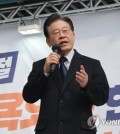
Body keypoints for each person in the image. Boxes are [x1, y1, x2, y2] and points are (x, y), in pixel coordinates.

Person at [22, 13, 109, 134]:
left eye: (65, 30)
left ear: (73, 35)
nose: (62, 36)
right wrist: (45, 72)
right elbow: (29, 97)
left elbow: (102, 98)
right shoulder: (40, 66)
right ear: (48, 41)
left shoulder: (92, 64)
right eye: (56, 33)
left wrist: (87, 85)